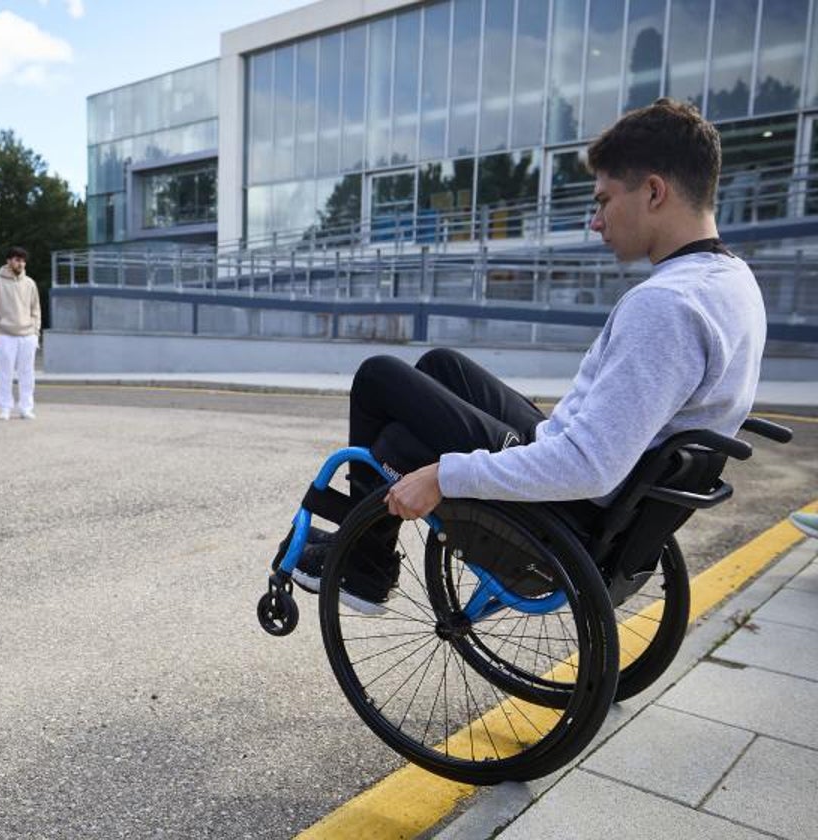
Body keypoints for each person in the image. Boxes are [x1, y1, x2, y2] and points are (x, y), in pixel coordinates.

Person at [293, 98, 766, 614]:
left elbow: (589, 466)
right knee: (440, 365)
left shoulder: (666, 306)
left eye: (604, 200)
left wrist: (444, 474)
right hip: (608, 493)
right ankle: (366, 548)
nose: (595, 221)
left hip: (570, 506)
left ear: (654, 192)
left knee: (379, 380)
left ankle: (365, 566)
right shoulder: (732, 281)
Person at [0, 246, 41, 420]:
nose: (21, 263)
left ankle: (26, 408)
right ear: (8, 261)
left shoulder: (30, 283)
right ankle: (5, 408)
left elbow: (36, 309)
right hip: (6, 334)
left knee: (28, 374)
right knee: (5, 374)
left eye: (23, 260)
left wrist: (35, 332)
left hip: (27, 335)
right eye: (17, 260)